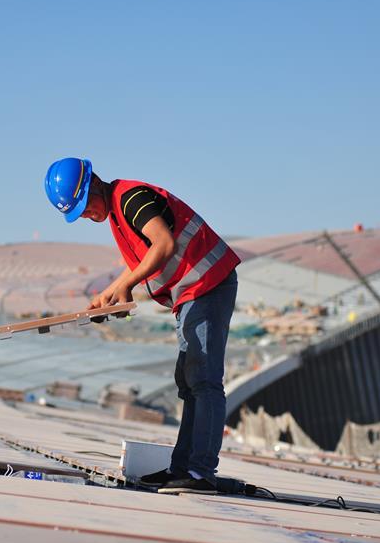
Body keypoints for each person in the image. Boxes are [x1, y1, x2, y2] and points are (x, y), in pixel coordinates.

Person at [44, 157, 240, 494]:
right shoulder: (118, 212)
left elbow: (163, 244)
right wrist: (110, 292)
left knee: (204, 379)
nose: (88, 217)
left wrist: (126, 286)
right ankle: (183, 469)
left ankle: (200, 472)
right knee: (190, 380)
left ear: (93, 185)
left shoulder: (132, 198)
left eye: (85, 208)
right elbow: (143, 258)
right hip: (192, 293)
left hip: (209, 284)